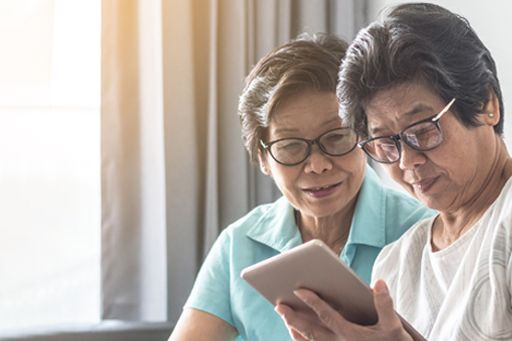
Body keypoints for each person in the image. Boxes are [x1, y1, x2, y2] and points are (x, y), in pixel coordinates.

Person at [168, 33, 432, 341]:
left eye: (336, 138)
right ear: (263, 158)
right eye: (291, 146)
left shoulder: (422, 234)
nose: (317, 165)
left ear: (365, 138)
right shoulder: (239, 245)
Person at [275, 3, 512, 341]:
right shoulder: (398, 263)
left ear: (487, 104)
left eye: (423, 130)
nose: (406, 161)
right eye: (386, 143)